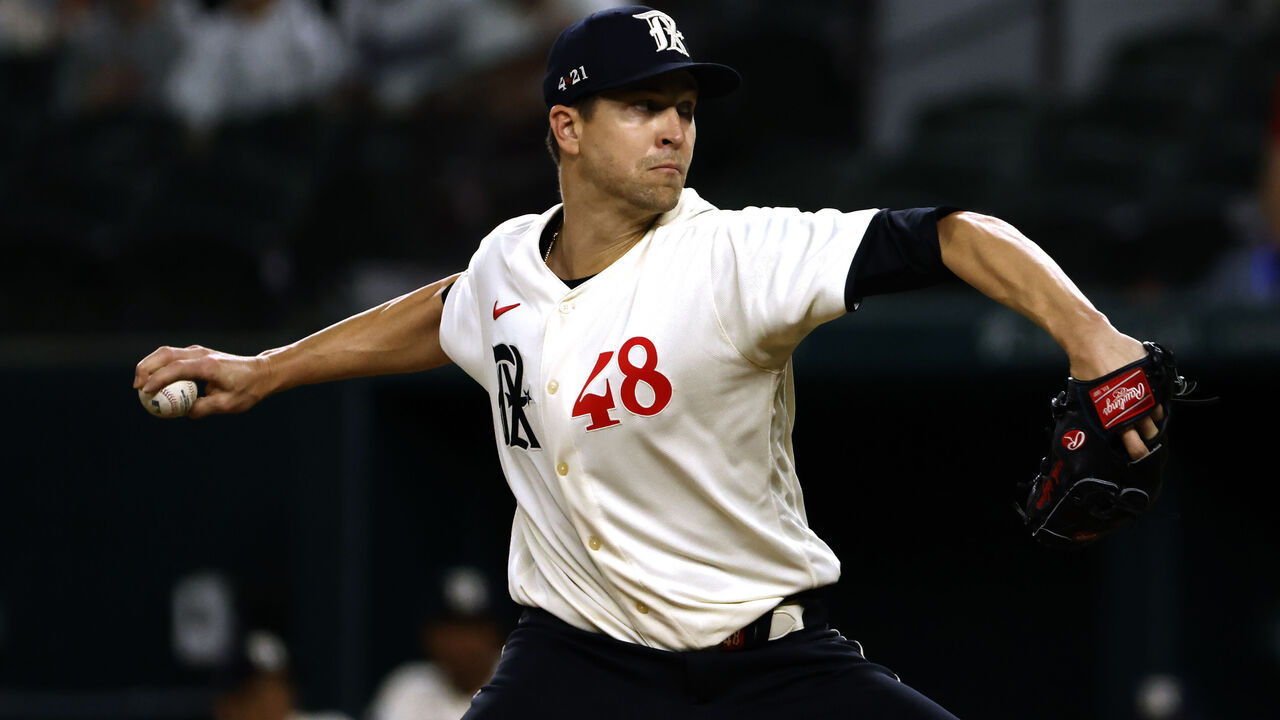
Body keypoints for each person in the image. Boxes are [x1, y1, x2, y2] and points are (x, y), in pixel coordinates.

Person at [136, 6, 1164, 718]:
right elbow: (450, 310)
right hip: (574, 665)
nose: (673, 128)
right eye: (641, 106)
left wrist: (1089, 337)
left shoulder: (733, 255)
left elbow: (948, 231)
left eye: (683, 107)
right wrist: (267, 370)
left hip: (764, 668)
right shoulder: (505, 261)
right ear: (565, 129)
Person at [365, 566, 504, 720]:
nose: (464, 642)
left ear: (496, 635)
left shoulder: (516, 686)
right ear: (431, 635)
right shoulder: (406, 691)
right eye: (453, 628)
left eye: (475, 628)